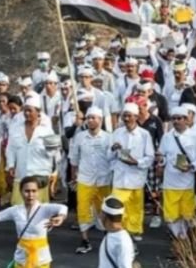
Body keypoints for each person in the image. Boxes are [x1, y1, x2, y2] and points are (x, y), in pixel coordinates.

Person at [0, 176, 68, 268]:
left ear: (38, 192)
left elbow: (63, 208)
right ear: (21, 192)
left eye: (34, 191)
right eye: (27, 191)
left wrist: (61, 217)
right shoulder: (15, 210)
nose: (30, 195)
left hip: (41, 259)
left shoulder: (45, 208)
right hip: (21, 257)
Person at [157, 106, 196, 244]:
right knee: (171, 216)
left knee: (187, 215)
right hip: (170, 182)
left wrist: (192, 166)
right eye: (174, 119)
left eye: (179, 118)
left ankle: (187, 242)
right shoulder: (167, 137)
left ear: (186, 120)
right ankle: (180, 240)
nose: (176, 121)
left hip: (187, 182)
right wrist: (161, 160)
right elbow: (163, 155)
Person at [69, 106, 112, 254]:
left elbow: (112, 159)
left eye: (94, 118)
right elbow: (74, 158)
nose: (91, 120)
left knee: (104, 209)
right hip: (85, 179)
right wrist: (74, 175)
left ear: (100, 120)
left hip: (103, 180)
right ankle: (85, 240)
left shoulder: (108, 138)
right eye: (89, 118)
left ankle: (108, 238)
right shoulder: (80, 137)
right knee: (83, 209)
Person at [109, 103, 155, 242]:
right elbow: (108, 156)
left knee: (135, 208)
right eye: (124, 116)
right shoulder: (117, 133)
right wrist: (113, 149)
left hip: (136, 177)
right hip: (120, 177)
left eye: (129, 116)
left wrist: (137, 162)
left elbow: (150, 157)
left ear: (136, 117)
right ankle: (118, 230)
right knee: (117, 207)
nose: (126, 119)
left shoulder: (144, 134)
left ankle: (135, 231)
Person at [97, 196, 136, 268]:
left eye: (101, 213)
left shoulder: (122, 242)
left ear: (105, 216)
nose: (99, 216)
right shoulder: (111, 234)